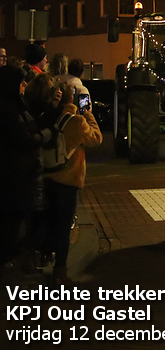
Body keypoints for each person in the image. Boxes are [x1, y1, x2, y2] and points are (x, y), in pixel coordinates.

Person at [40, 83, 102, 284]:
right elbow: (96, 138)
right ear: (72, 99)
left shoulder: (47, 117)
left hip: (47, 176)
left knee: (46, 220)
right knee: (63, 225)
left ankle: (40, 256)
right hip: (68, 180)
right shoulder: (76, 121)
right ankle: (60, 268)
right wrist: (88, 114)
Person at [0, 66, 54, 275]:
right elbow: (24, 139)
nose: (24, 86)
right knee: (14, 220)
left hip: (23, 173)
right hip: (14, 174)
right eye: (20, 82)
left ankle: (13, 258)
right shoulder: (7, 109)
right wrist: (46, 134)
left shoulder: (17, 104)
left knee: (18, 218)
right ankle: (9, 259)